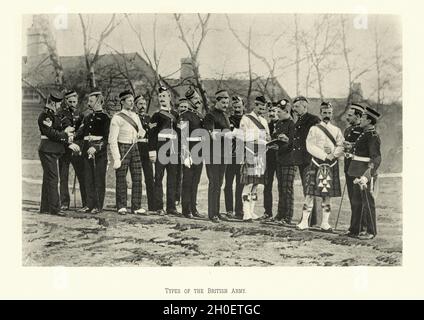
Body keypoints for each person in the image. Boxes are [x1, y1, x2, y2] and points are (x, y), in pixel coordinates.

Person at [296, 102, 344, 231]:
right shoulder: (314, 129)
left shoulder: (336, 130)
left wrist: (333, 154)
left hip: (331, 164)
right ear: (321, 113)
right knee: (310, 194)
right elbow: (309, 146)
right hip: (317, 163)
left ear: (332, 113)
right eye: (324, 113)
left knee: (326, 195)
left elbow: (341, 145)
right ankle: (304, 221)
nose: (327, 115)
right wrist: (324, 155)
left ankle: (325, 223)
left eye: (329, 113)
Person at [38, 91, 76, 216]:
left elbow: (57, 130)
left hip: (53, 150)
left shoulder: (54, 115)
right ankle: (55, 208)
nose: (60, 106)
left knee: (48, 178)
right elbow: (51, 133)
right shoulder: (45, 116)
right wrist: (65, 135)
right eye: (58, 103)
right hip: (48, 149)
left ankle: (45, 207)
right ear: (53, 103)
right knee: (53, 178)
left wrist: (65, 131)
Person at [347, 106, 382, 240]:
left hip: (364, 172)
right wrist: (350, 147)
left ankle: (371, 231)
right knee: (357, 202)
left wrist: (368, 174)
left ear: (369, 121)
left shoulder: (373, 136)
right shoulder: (365, 133)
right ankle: (355, 229)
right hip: (357, 169)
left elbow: (376, 157)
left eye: (363, 117)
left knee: (368, 202)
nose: (360, 119)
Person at [109, 90, 146, 215]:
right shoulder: (117, 117)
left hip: (134, 147)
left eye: (132, 100)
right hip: (122, 147)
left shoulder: (135, 116)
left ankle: (136, 206)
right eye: (129, 101)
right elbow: (112, 140)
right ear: (122, 102)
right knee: (121, 177)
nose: (132, 103)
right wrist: (117, 158)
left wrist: (141, 133)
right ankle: (121, 205)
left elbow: (141, 130)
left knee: (137, 177)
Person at [74, 89, 110, 214]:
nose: (89, 103)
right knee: (87, 178)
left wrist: (96, 147)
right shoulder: (88, 117)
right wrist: (71, 139)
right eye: (88, 101)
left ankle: (98, 206)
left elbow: (106, 139)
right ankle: (88, 205)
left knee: (98, 179)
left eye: (91, 101)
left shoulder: (105, 118)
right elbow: (80, 132)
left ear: (99, 101)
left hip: (99, 153)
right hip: (86, 150)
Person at [148, 86, 180, 216]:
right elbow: (151, 134)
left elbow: (179, 133)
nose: (162, 99)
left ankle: (171, 207)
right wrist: (152, 151)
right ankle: (158, 207)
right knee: (158, 178)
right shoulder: (156, 116)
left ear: (169, 98)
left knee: (172, 179)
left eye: (164, 96)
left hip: (173, 150)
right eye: (160, 97)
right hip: (160, 149)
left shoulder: (176, 115)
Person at [239, 95, 270, 222]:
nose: (262, 111)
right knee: (249, 183)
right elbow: (243, 136)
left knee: (256, 184)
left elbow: (267, 135)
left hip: (261, 153)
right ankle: (246, 212)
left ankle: (252, 211)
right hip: (250, 152)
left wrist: (267, 138)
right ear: (255, 105)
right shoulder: (246, 118)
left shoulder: (264, 121)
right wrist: (259, 136)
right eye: (260, 108)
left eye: (263, 109)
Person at [203, 89, 232, 223]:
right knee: (214, 183)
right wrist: (225, 134)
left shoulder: (225, 116)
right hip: (212, 154)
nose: (226, 105)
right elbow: (211, 134)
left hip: (223, 154)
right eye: (223, 103)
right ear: (217, 102)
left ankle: (217, 212)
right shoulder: (210, 116)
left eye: (227, 103)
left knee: (220, 183)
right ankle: (212, 214)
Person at [291, 96, 321, 226]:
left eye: (297, 106)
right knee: (306, 190)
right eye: (294, 106)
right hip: (301, 159)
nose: (294, 109)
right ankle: (309, 220)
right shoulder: (299, 119)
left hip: (309, 159)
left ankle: (309, 220)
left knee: (309, 190)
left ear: (304, 106)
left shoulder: (313, 119)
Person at [57, 90, 87, 211]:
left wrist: (78, 145)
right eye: (70, 101)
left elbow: (82, 131)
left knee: (82, 175)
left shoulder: (80, 114)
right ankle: (64, 202)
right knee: (63, 177)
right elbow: (60, 132)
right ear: (65, 101)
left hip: (76, 148)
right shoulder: (60, 114)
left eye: (74, 101)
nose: (73, 104)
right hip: (64, 149)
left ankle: (86, 202)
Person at [179, 89, 205, 219]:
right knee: (188, 181)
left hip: (199, 151)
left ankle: (194, 209)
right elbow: (183, 136)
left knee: (196, 181)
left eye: (197, 98)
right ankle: (186, 209)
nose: (197, 100)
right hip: (189, 150)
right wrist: (185, 154)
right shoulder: (185, 115)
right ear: (189, 101)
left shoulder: (199, 115)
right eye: (194, 99)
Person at [271, 99, 296, 225]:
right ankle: (280, 214)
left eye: (279, 112)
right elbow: (274, 137)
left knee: (287, 189)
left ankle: (288, 216)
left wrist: (280, 146)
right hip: (279, 160)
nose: (277, 114)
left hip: (289, 161)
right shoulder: (279, 123)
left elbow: (292, 143)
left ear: (287, 111)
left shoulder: (293, 124)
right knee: (280, 188)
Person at [342, 103, 365, 236]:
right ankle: (354, 227)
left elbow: (362, 148)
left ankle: (358, 228)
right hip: (348, 167)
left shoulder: (362, 131)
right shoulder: (347, 130)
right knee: (352, 198)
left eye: (350, 115)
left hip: (358, 169)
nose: (347, 118)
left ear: (358, 116)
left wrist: (351, 146)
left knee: (358, 199)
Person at [224, 95, 244, 220]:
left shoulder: (247, 119)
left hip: (242, 155)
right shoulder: (228, 119)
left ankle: (239, 210)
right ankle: (229, 210)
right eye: (235, 106)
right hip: (230, 155)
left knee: (240, 184)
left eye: (239, 106)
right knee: (228, 184)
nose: (237, 109)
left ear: (243, 106)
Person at [135, 94, 155, 212]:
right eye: (140, 104)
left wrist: (152, 150)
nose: (142, 106)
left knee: (149, 178)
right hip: (137, 148)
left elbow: (152, 135)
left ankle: (152, 206)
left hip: (147, 150)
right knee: (137, 178)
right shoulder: (133, 118)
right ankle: (136, 205)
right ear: (136, 106)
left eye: (144, 104)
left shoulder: (149, 118)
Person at [263, 102, 279, 219]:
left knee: (281, 187)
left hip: (279, 158)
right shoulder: (265, 125)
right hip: (268, 158)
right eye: (270, 111)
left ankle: (281, 214)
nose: (272, 113)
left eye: (274, 111)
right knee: (267, 186)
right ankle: (267, 212)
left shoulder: (282, 124)